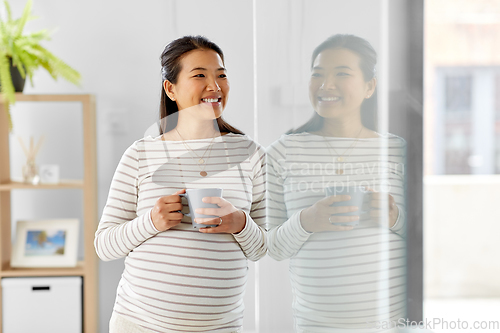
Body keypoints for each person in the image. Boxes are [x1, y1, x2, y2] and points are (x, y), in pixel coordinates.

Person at [95, 35, 266, 333]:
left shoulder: (251, 155)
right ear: (170, 88)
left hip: (221, 328)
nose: (214, 86)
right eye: (200, 75)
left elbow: (264, 246)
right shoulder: (141, 154)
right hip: (140, 324)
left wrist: (240, 223)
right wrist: (151, 221)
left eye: (221, 75)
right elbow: (104, 246)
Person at [266, 34, 407, 332]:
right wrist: (306, 221)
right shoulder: (283, 150)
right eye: (317, 74)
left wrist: (394, 218)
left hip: (390, 323)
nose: (325, 85)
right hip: (316, 325)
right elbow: (274, 246)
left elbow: (422, 236)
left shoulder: (396, 150)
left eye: (341, 74)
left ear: (370, 86)